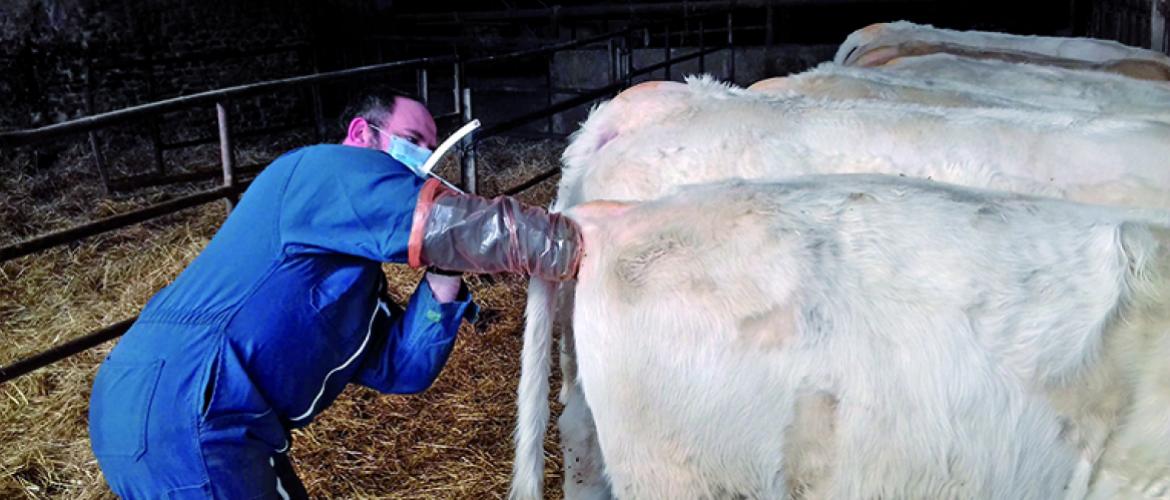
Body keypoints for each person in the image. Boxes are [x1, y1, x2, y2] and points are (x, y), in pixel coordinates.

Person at [88, 86, 581, 499]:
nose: (424, 163)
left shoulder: (351, 279)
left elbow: (400, 368)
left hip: (182, 414)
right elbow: (445, 224)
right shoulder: (318, 171)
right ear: (361, 134)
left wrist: (444, 279)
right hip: (191, 407)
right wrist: (573, 243)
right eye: (411, 141)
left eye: (430, 150)